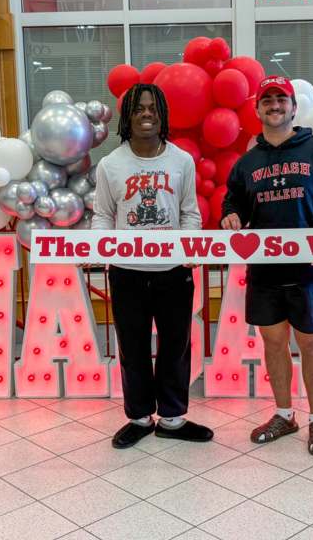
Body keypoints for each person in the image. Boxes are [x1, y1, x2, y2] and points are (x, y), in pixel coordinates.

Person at [221, 75, 313, 456]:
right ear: (257, 109)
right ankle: (284, 414)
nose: (275, 105)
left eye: (282, 99)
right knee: (274, 343)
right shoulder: (248, 162)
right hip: (264, 272)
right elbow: (234, 202)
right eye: (267, 100)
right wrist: (230, 215)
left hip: (308, 271)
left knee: (311, 344)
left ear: (294, 107)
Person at [92, 83, 214, 448]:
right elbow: (103, 215)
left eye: (153, 109)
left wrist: (189, 247)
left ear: (163, 116)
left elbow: (190, 212)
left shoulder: (181, 161)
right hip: (127, 273)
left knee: (176, 345)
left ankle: (173, 418)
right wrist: (98, 247)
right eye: (139, 109)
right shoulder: (111, 165)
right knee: (132, 346)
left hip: (174, 273)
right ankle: (140, 418)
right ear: (127, 118)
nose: (146, 114)